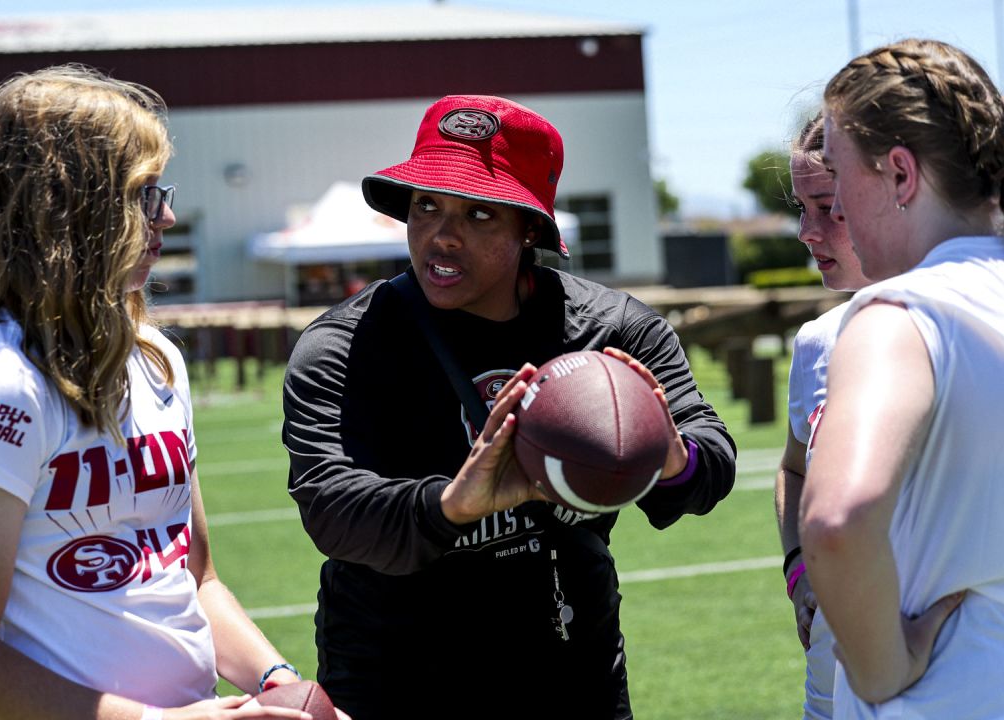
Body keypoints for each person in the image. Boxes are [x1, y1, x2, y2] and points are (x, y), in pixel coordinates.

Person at [282, 94, 737, 720]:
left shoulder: (612, 330)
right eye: (426, 206)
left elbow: (710, 464)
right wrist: (455, 503)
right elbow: (330, 509)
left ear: (530, 229)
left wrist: (663, 452)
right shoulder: (345, 343)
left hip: (571, 669)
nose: (442, 235)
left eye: (479, 214)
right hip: (396, 678)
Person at [0, 66, 318, 720]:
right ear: (65, 206)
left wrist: (279, 683)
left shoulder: (156, 358)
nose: (169, 215)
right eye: (145, 193)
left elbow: (194, 578)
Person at [800, 39, 1004, 718]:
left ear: (901, 175)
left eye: (841, 172)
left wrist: (881, 671)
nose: (839, 206)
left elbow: (835, 520)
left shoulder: (898, 316)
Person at [774, 112, 873, 720]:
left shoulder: (984, 329)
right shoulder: (817, 340)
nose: (806, 234)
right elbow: (794, 471)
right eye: (801, 209)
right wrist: (798, 569)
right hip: (832, 676)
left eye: (827, 208)